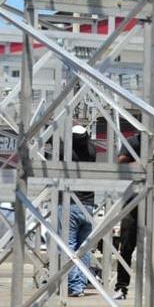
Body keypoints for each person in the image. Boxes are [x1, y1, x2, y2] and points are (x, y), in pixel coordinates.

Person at [113, 134, 154, 303]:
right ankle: (121, 287)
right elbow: (121, 162)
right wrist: (142, 166)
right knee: (126, 246)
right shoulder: (133, 142)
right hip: (134, 197)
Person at [61, 125, 97, 298]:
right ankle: (81, 285)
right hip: (88, 204)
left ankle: (74, 286)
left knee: (68, 247)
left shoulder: (67, 152)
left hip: (70, 202)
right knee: (84, 248)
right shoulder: (91, 150)